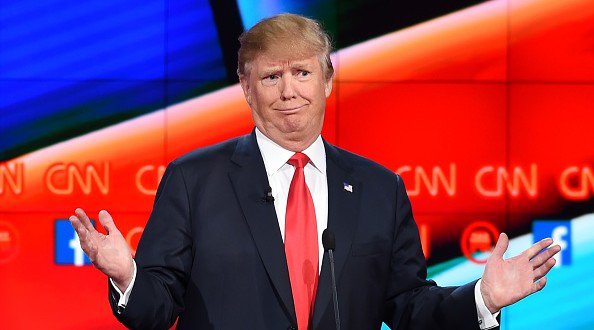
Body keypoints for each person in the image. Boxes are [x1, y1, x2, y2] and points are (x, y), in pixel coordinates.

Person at [69, 13, 559, 330]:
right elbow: (157, 308)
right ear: (246, 87)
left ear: (327, 80)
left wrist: (483, 299)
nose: (289, 92)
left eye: (302, 73)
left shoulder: (378, 189)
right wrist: (126, 274)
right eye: (271, 76)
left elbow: (408, 306)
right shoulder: (194, 181)